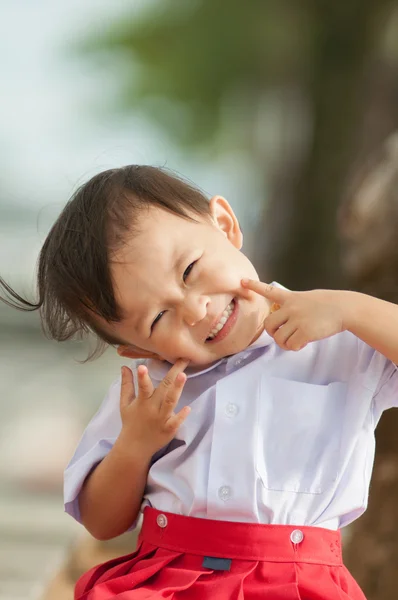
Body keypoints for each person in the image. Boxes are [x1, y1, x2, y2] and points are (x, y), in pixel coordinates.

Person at [2, 165, 398, 600]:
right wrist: (135, 445)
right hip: (169, 579)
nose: (195, 310)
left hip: (299, 582)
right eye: (157, 318)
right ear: (140, 350)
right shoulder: (146, 392)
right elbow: (102, 522)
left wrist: (351, 310)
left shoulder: (336, 340)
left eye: (190, 270)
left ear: (226, 227)